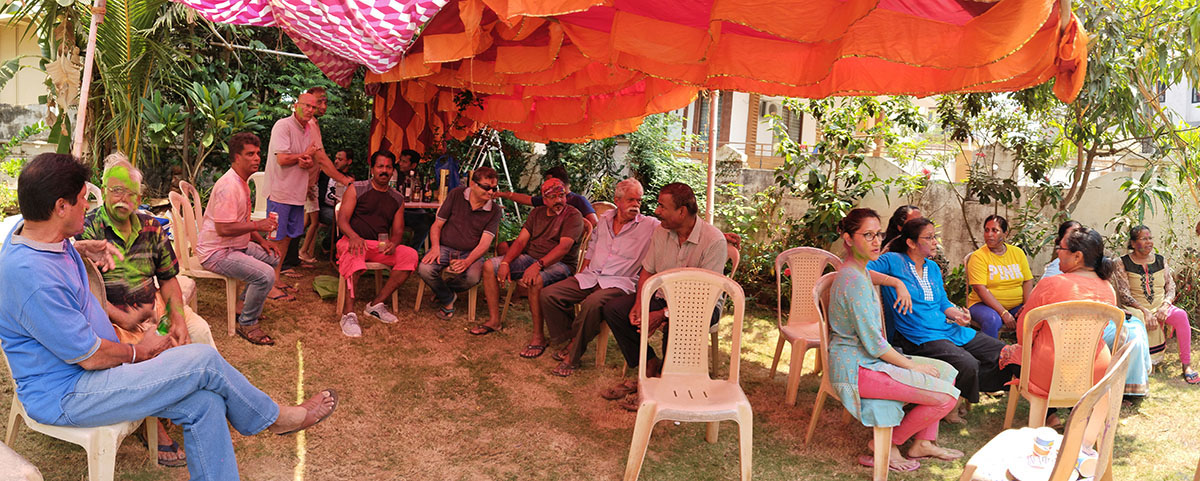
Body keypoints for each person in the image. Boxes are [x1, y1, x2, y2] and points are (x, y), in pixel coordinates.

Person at [0, 153, 337, 481]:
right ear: (61, 207)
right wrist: (141, 351)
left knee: (204, 403)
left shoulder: (32, 231)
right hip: (69, 393)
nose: (87, 206)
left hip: (94, 376)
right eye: (81, 200)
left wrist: (80, 248)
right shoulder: (33, 279)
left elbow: (56, 262)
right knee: (203, 361)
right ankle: (275, 419)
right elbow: (89, 357)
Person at [77, 154, 218, 467]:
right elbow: (85, 295)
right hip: (110, 316)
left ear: (139, 197)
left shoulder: (152, 227)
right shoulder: (87, 232)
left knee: (196, 331)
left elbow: (168, 279)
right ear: (103, 189)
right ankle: (153, 425)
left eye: (129, 193)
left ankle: (204, 402)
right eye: (115, 190)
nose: (122, 198)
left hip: (152, 306)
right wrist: (124, 318)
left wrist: (176, 316)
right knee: (143, 354)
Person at [828, 208, 962, 472]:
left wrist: (896, 282)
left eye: (878, 234)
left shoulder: (861, 271)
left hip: (871, 360)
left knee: (948, 372)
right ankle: (888, 443)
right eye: (867, 235)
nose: (876, 241)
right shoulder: (852, 280)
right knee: (947, 397)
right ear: (847, 238)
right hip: (856, 367)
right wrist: (912, 366)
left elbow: (874, 278)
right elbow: (874, 345)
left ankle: (921, 443)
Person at [870, 218, 1018, 424]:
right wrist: (895, 283)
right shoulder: (893, 261)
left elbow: (941, 302)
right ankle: (952, 404)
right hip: (918, 336)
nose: (935, 242)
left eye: (934, 237)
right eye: (929, 238)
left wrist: (958, 315)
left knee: (1003, 352)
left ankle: (961, 393)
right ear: (911, 243)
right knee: (967, 363)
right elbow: (860, 270)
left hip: (948, 329)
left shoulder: (932, 268)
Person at [599, 183, 726, 411]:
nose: (656, 211)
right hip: (663, 296)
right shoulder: (661, 232)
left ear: (682, 212)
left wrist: (664, 314)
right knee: (614, 309)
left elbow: (703, 298)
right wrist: (640, 303)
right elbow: (648, 270)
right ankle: (648, 364)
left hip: (701, 306)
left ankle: (667, 384)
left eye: (661, 206)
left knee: (676, 324)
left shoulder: (714, 241)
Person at [1006, 227, 1151, 403]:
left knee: (1012, 353)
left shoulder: (1049, 285)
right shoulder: (1108, 289)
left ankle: (1049, 414)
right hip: (1095, 376)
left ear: (1077, 256)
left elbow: (1024, 334)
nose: (1058, 253)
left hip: (1050, 375)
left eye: (1061, 248)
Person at [543, 178, 660, 376]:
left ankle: (573, 356)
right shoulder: (605, 219)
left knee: (592, 303)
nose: (636, 205)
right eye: (631, 200)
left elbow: (678, 226)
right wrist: (583, 271)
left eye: (639, 201)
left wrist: (720, 235)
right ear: (618, 200)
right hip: (592, 276)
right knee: (549, 294)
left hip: (620, 282)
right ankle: (572, 337)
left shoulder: (649, 225)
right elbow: (592, 247)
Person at [197, 132, 286, 346]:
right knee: (265, 275)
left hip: (234, 246)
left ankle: (243, 306)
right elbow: (224, 228)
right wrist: (258, 225)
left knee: (271, 257)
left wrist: (261, 240)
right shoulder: (229, 186)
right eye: (250, 154)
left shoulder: (241, 182)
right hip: (216, 252)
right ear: (237, 157)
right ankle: (248, 323)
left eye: (258, 153)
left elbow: (241, 221)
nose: (257, 158)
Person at [473, 178, 584, 346]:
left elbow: (563, 248)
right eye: (553, 197)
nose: (559, 201)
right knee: (489, 266)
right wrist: (505, 263)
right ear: (544, 200)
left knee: (535, 279)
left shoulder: (573, 215)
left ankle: (538, 336)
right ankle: (494, 321)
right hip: (532, 258)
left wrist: (537, 266)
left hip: (561, 265)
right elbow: (520, 242)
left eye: (561, 196)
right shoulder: (537, 213)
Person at [335, 151, 420, 337]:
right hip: (352, 240)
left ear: (393, 171)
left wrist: (394, 242)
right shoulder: (357, 188)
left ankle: (376, 305)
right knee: (354, 252)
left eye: (388, 167)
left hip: (378, 246)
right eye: (380, 166)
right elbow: (342, 220)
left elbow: (398, 231)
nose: (384, 171)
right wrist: (354, 237)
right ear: (372, 169)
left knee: (410, 255)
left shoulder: (397, 198)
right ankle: (348, 314)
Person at [1113, 226, 1197, 384]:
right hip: (1136, 307)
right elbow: (1124, 293)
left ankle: (1186, 365)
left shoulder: (1160, 260)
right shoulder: (1122, 262)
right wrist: (1145, 311)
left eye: (1150, 238)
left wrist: (1165, 305)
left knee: (1181, 315)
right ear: (1132, 242)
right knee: (1137, 318)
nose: (1149, 242)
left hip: (1161, 306)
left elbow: (1170, 287)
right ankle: (1141, 365)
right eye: (1143, 239)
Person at [417, 167, 504, 320]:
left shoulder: (495, 210)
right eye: (486, 187)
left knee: (473, 277)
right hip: (445, 246)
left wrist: (468, 261)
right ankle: (448, 298)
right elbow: (437, 225)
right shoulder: (457, 194)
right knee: (424, 268)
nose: (491, 192)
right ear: (473, 184)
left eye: (494, 188)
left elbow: (484, 244)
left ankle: (444, 291)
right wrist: (435, 247)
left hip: (471, 252)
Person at [967, 215, 1033, 338]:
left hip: (1015, 306)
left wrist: (1026, 306)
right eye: (986, 230)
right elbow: (980, 288)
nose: (989, 234)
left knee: (1033, 316)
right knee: (992, 320)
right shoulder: (978, 256)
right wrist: (1003, 313)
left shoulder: (1017, 253)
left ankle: (1025, 355)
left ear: (1005, 234)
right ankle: (991, 356)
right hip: (982, 305)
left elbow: (1027, 281)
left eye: (995, 230)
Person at [495, 166, 599, 227]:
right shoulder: (549, 200)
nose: (546, 185)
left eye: (549, 181)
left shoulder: (578, 200)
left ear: (559, 182)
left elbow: (593, 222)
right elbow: (527, 199)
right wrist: (504, 194)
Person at [301, 149, 353, 261]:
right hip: (322, 207)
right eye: (335, 158)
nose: (336, 161)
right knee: (337, 218)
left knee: (347, 218)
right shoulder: (326, 173)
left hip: (339, 208)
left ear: (349, 162)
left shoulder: (351, 178)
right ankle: (327, 246)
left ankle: (339, 250)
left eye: (340, 159)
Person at [396, 149, 434, 250]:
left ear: (413, 165)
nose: (400, 163)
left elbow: (426, 194)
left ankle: (415, 250)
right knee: (425, 221)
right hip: (400, 212)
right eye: (400, 160)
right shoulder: (395, 175)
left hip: (416, 211)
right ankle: (412, 250)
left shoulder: (420, 177)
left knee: (431, 219)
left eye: (404, 162)